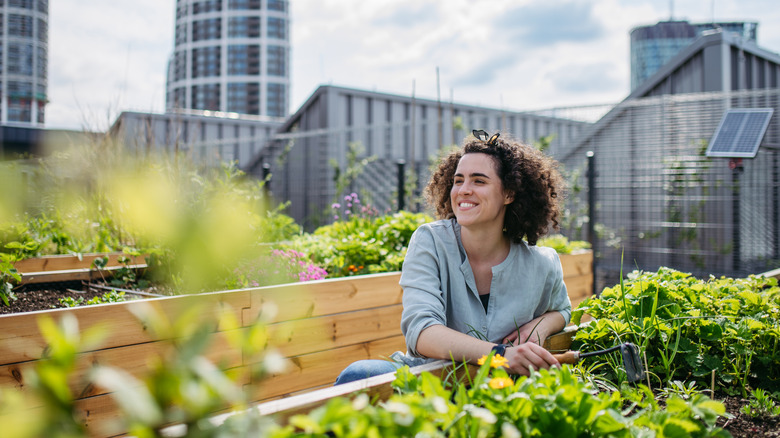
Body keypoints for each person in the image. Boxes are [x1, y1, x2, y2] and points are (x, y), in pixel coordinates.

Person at [334, 130, 571, 384]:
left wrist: (542, 326)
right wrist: (500, 356)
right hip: (431, 381)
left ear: (509, 194)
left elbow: (562, 309)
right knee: (357, 375)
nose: (464, 190)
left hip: (499, 392)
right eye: (459, 181)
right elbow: (422, 331)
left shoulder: (542, 263)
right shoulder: (430, 242)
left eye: (479, 181)